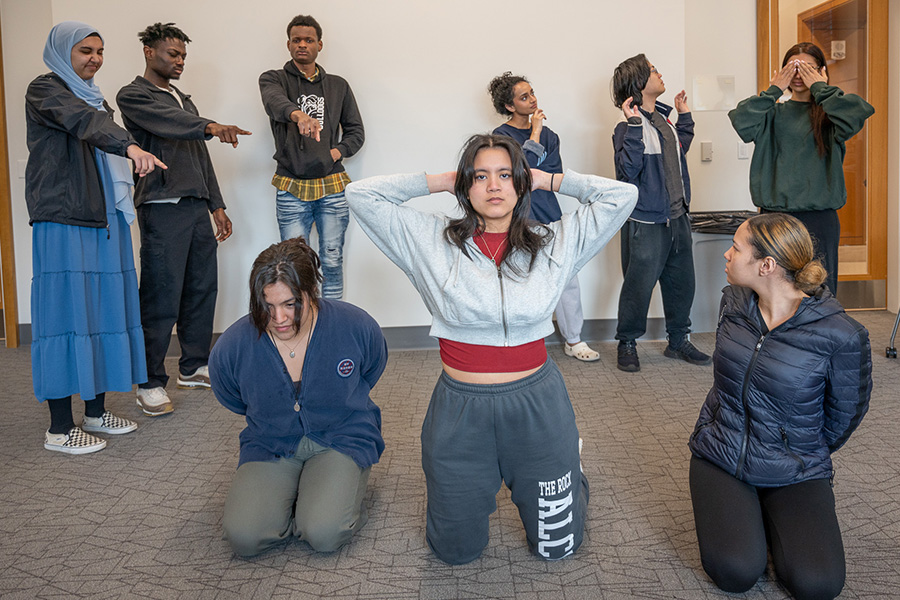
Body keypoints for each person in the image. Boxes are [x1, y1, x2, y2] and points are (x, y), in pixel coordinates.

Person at [346, 134, 637, 564]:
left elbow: (623, 196)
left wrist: (551, 181)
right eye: (480, 177)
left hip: (537, 404)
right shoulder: (431, 241)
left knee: (558, 548)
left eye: (505, 175)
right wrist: (443, 180)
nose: (494, 186)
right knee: (454, 552)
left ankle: (567, 468)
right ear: (466, 186)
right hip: (461, 410)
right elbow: (360, 194)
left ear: (521, 183)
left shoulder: (553, 241)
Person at [688, 213, 872, 599]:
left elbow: (844, 415)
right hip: (722, 452)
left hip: (794, 467)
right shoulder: (733, 303)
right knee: (735, 572)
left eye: (736, 248)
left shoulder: (840, 335)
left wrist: (793, 446)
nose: (727, 254)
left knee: (818, 584)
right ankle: (752, 516)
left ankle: (770, 514)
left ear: (766, 265)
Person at [25, 21, 166, 454]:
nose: (94, 58)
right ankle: (60, 429)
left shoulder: (96, 96)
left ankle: (94, 413)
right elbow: (82, 122)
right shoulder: (45, 90)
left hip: (104, 215)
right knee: (66, 317)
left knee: (104, 312)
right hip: (65, 214)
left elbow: (94, 120)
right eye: (85, 50)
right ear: (63, 51)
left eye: (100, 51)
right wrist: (130, 147)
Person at [209, 237, 388, 557]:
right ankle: (297, 496)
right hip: (271, 441)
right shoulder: (233, 346)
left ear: (311, 293)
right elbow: (232, 396)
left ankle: (324, 494)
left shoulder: (354, 325)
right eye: (268, 305)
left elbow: (371, 369)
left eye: (291, 304)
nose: (279, 318)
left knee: (324, 533)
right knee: (244, 538)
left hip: (340, 436)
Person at [117, 22, 251, 417]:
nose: (179, 62)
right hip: (161, 206)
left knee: (201, 290)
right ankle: (149, 382)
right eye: (172, 55)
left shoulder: (182, 99)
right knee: (160, 297)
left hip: (195, 205)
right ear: (149, 52)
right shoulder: (135, 95)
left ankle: (193, 366)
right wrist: (210, 125)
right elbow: (171, 124)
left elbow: (198, 154)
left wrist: (217, 204)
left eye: (183, 57)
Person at [728, 42, 874, 297]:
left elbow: (858, 113)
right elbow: (741, 120)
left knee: (818, 291)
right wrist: (774, 89)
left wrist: (820, 87)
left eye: (807, 68)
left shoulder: (830, 116)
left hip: (818, 218)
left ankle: (820, 337)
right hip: (775, 218)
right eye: (793, 68)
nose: (799, 75)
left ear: (822, 72)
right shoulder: (772, 112)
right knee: (772, 291)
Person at [488, 72, 598, 362]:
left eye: (532, 93)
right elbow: (520, 177)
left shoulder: (552, 137)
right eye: (524, 97)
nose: (533, 99)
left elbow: (548, 176)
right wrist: (534, 134)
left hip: (549, 215)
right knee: (519, 280)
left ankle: (573, 340)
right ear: (510, 106)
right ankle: (516, 341)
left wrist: (536, 150)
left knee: (567, 278)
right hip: (517, 220)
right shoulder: (500, 137)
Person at [611, 54, 710, 373]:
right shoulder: (626, 128)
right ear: (639, 83)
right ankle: (627, 342)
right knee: (638, 286)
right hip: (646, 220)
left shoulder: (664, 120)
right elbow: (627, 172)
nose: (660, 74)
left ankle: (678, 340)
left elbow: (678, 150)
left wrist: (685, 118)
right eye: (654, 71)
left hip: (678, 216)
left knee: (682, 282)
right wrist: (635, 125)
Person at [259, 14, 364, 299]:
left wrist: (334, 152)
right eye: (296, 40)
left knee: (332, 259)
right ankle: (301, 323)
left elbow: (356, 132)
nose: (302, 45)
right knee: (294, 264)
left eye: (308, 40)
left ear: (319, 44)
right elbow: (274, 102)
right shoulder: (274, 79)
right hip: (291, 185)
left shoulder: (338, 86)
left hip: (332, 185)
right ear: (288, 44)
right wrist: (298, 114)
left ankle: (333, 320)